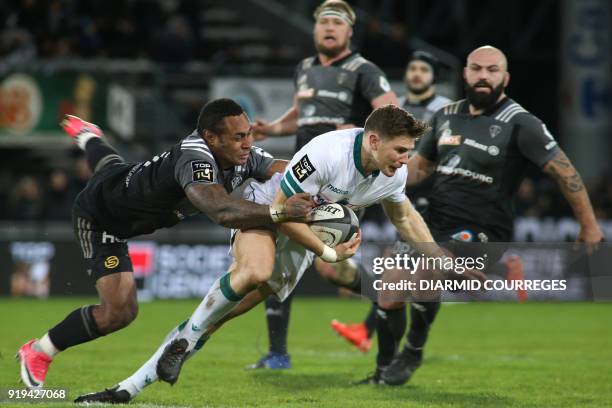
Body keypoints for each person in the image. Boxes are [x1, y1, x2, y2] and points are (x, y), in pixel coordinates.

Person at [74, 105, 479, 404]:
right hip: (271, 207)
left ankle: (127, 389)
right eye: (401, 150)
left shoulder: (394, 174)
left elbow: (404, 217)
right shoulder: (327, 153)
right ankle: (186, 338)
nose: (406, 159)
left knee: (220, 317)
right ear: (373, 141)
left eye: (409, 151)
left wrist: (443, 262)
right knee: (256, 268)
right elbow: (282, 213)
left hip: (310, 231)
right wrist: (326, 251)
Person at [16, 98, 314, 390]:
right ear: (211, 137)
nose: (248, 143)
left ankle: (89, 136)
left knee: (109, 166)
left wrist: (325, 181)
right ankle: (40, 350)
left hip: (123, 182)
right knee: (118, 312)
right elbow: (221, 210)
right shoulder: (195, 156)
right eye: (239, 137)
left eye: (249, 134)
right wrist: (281, 212)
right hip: (101, 219)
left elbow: (286, 168)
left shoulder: (244, 155)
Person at [358, 45, 604, 385]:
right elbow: (419, 170)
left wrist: (589, 225)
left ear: (506, 77)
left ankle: (413, 349)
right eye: (477, 68)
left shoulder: (521, 123)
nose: (484, 76)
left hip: (483, 228)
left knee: (429, 267)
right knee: (389, 288)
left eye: (492, 70)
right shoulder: (446, 115)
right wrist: (374, 173)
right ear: (465, 74)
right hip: (434, 217)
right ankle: (382, 373)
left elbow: (565, 172)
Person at [250, 0, 399, 367]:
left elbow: (393, 118)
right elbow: (303, 116)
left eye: (337, 23)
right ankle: (278, 353)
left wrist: (355, 132)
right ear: (314, 29)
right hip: (302, 177)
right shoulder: (305, 69)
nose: (329, 28)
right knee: (289, 254)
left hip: (340, 178)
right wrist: (274, 128)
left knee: (315, 261)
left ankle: (383, 298)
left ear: (349, 32)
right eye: (323, 22)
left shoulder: (363, 69)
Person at [331, 50, 454, 351]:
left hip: (432, 200)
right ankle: (379, 335)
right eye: (412, 68)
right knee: (398, 272)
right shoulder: (395, 109)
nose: (416, 74)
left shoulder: (446, 112)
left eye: (423, 70)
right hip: (402, 195)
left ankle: (388, 340)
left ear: (433, 77)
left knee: (402, 271)